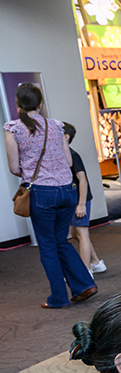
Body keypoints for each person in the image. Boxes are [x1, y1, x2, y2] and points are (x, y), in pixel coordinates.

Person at [4, 83, 97, 308]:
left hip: (41, 194)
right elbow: (68, 162)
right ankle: (84, 284)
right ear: (41, 104)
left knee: (47, 245)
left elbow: (14, 167)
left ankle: (58, 298)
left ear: (18, 105)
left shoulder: (13, 128)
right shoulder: (56, 126)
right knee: (60, 241)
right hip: (66, 191)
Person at [62, 122, 106, 276]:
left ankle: (85, 272)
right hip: (72, 200)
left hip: (81, 199)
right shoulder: (62, 156)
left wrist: (81, 204)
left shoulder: (73, 155)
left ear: (66, 137)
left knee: (82, 233)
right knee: (75, 233)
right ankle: (96, 263)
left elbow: (83, 180)